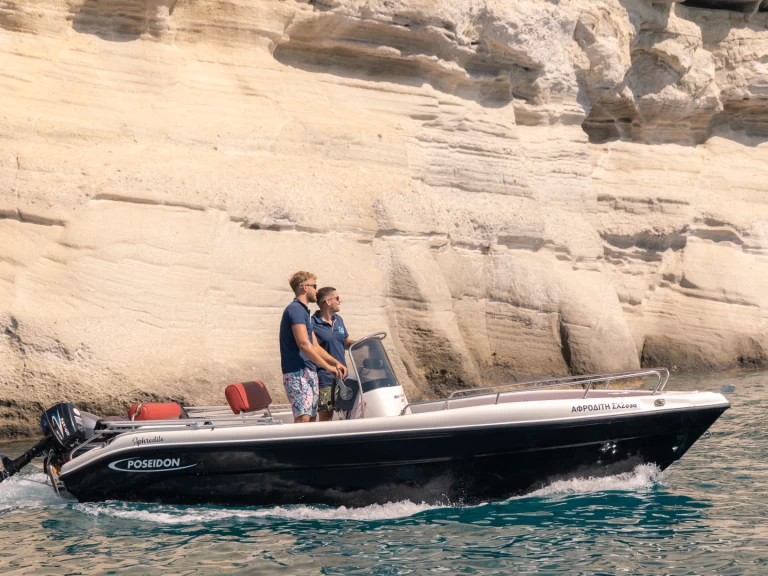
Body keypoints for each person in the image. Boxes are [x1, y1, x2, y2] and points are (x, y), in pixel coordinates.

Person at [279, 272, 347, 423]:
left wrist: (335, 363)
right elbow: (304, 344)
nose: (317, 290)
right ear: (304, 287)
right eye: (314, 286)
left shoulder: (303, 312)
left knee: (311, 419)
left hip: (308, 371)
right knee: (303, 419)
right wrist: (327, 367)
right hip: (297, 372)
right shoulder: (295, 310)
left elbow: (315, 346)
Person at [312, 286, 356, 421]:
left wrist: (363, 343)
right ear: (328, 302)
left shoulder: (339, 320)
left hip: (344, 377)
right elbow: (314, 349)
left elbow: (346, 341)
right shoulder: (312, 323)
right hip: (325, 378)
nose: (340, 300)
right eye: (337, 298)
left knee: (348, 413)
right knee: (326, 416)